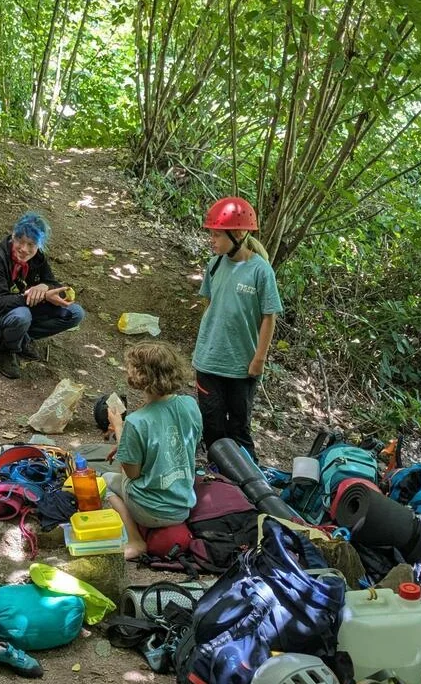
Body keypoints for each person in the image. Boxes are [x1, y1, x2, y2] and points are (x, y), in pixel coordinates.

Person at [193, 197, 281, 461]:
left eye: (217, 235)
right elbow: (210, 305)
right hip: (209, 362)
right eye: (211, 233)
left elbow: (269, 317)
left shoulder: (261, 271)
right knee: (212, 426)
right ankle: (218, 478)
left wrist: (259, 359)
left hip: (241, 365)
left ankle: (249, 480)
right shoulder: (214, 265)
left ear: (239, 234)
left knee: (239, 428)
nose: (212, 240)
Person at [104, 343, 202, 560]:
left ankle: (135, 540)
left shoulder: (136, 421)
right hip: (183, 505)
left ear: (140, 375)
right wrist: (127, 443)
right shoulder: (190, 405)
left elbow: (132, 473)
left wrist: (119, 429)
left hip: (151, 511)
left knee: (105, 482)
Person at [0, 211, 84, 379]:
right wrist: (40, 296)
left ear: (39, 245)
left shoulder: (37, 257)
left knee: (75, 313)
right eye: (19, 241)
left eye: (31, 244)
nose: (24, 249)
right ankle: (6, 350)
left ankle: (21, 339)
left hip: (15, 309)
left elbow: (55, 284)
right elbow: (0, 301)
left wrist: (44, 286)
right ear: (13, 236)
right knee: (22, 315)